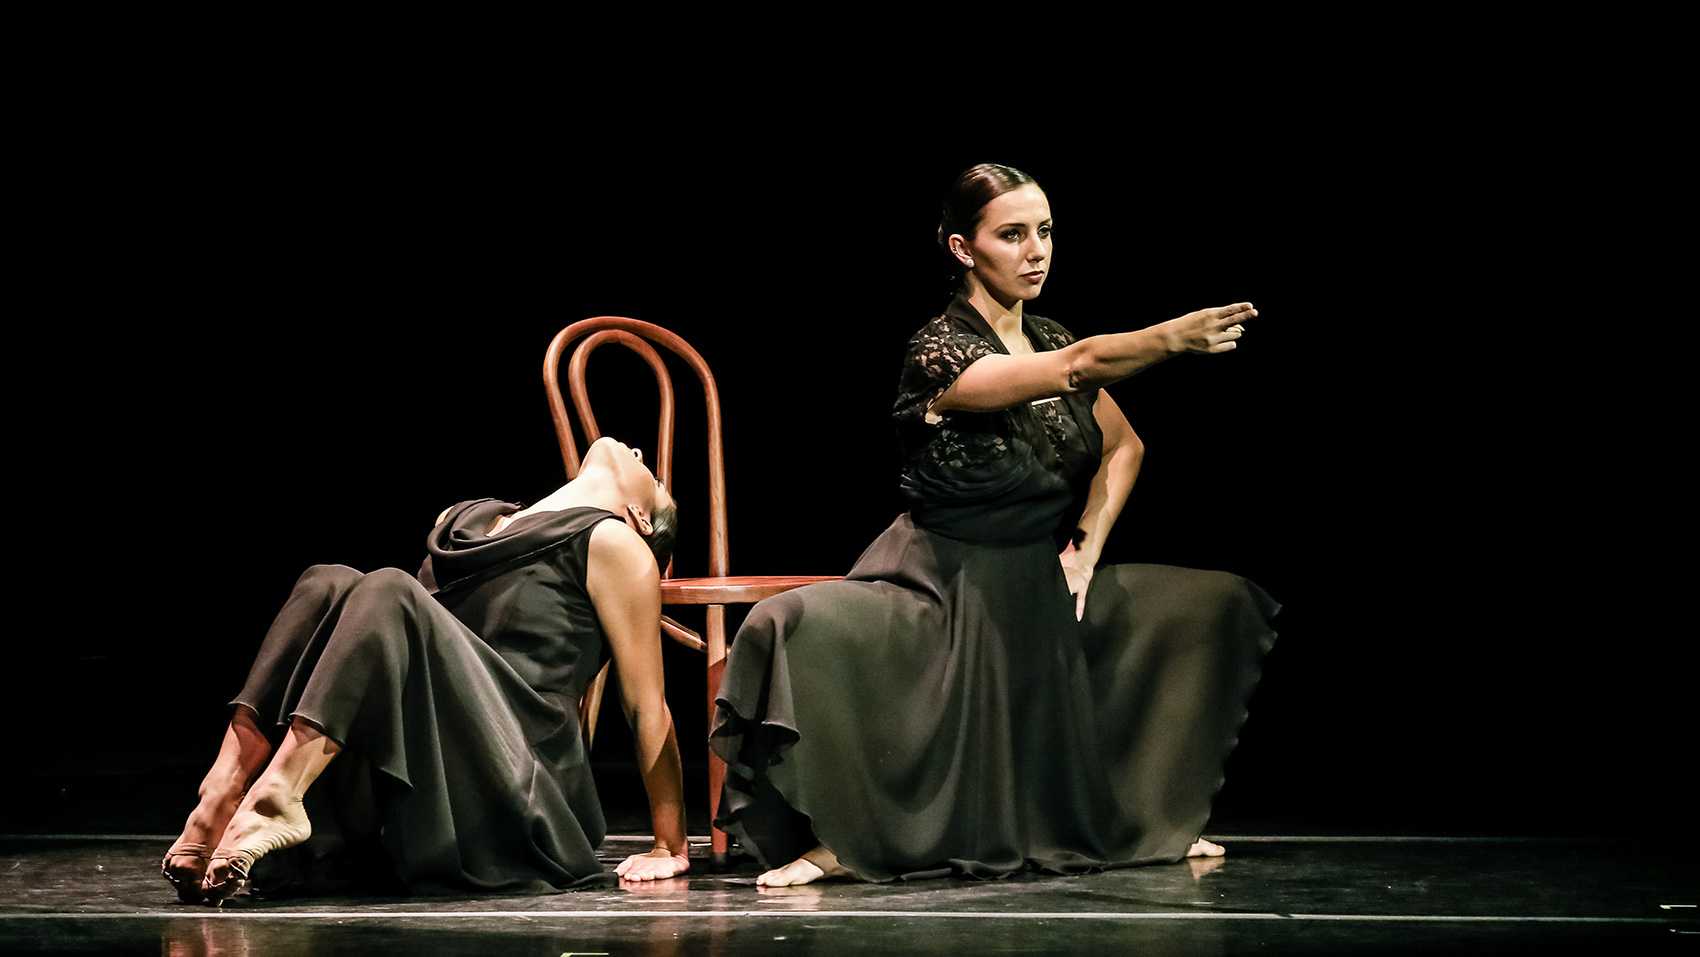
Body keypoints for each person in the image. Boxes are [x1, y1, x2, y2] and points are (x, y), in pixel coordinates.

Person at [709, 163, 1280, 886]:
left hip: (1032, 575)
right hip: (939, 576)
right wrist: (1170, 338)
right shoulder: (940, 350)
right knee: (786, 621)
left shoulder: (1046, 330)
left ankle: (1133, 817)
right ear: (962, 248)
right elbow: (1074, 370)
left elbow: (1125, 445)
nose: (1036, 250)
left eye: (1045, 231)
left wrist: (1084, 551)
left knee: (1210, 602)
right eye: (1012, 234)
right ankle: (843, 838)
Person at [160, 436, 690, 904]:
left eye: (656, 480)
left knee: (389, 588)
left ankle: (277, 798)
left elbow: (646, 705)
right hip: (419, 775)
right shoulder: (467, 521)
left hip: (514, 790)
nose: (640, 453)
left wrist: (670, 845)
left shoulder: (617, 545)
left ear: (640, 518)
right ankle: (223, 793)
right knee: (326, 582)